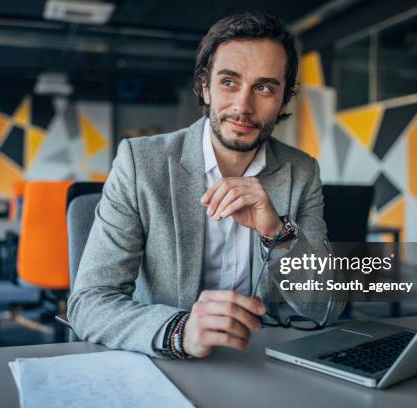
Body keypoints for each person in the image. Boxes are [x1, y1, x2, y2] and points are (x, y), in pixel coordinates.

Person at [68, 11, 345, 359]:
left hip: (257, 360)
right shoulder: (140, 163)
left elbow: (326, 307)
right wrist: (179, 331)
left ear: (284, 99)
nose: (243, 107)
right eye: (229, 82)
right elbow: (89, 302)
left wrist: (278, 233)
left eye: (263, 88)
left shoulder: (300, 171)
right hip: (161, 361)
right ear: (205, 86)